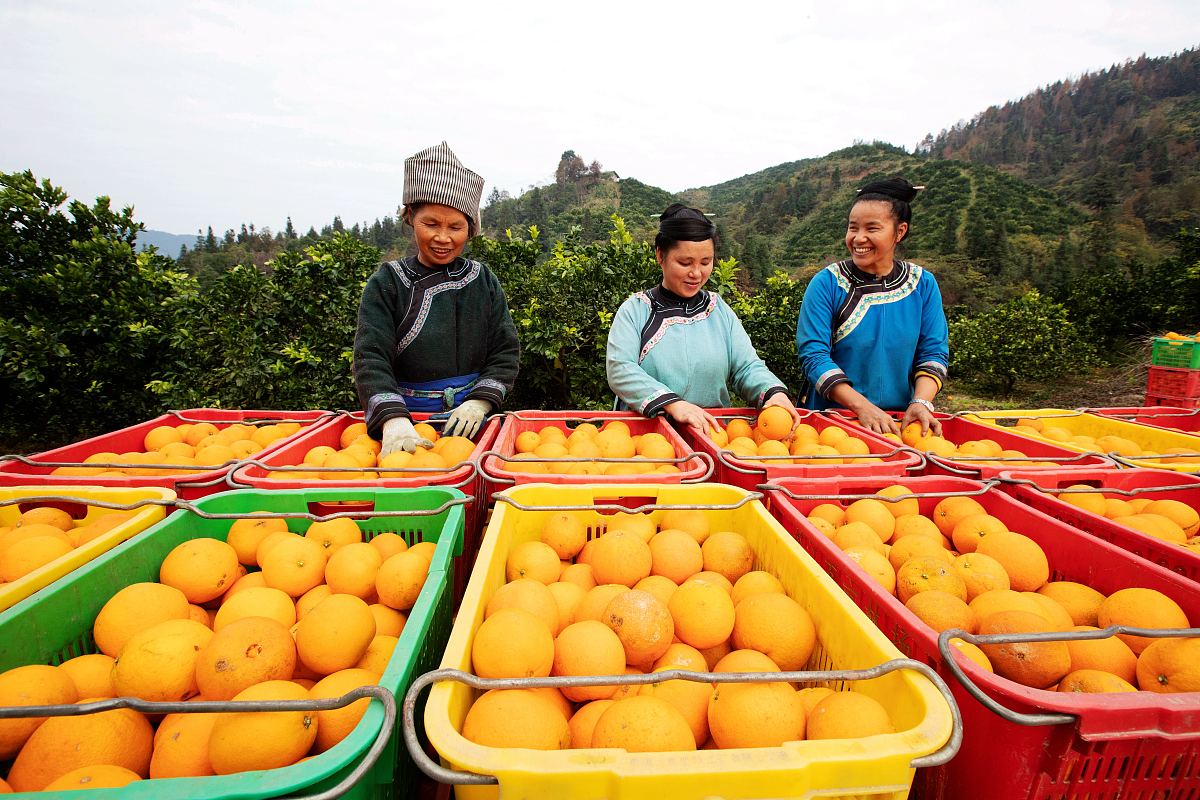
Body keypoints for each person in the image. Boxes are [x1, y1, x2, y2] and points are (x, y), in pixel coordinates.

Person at [353, 142, 520, 457]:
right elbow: (371, 358)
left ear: (470, 229)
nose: (443, 237)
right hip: (407, 421)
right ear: (410, 217)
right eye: (430, 224)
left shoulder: (482, 280)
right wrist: (393, 419)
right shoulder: (388, 282)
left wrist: (479, 401)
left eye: (456, 227)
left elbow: (505, 351)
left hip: (472, 423)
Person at [606, 204, 800, 435]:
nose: (696, 273)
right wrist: (673, 403)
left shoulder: (718, 310)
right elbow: (620, 368)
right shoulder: (636, 310)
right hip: (647, 440)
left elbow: (747, 366)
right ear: (660, 255)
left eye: (706, 262)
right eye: (685, 263)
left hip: (712, 437)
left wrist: (773, 392)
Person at [795, 177, 949, 436]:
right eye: (853, 227)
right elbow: (813, 356)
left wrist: (921, 402)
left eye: (872, 228)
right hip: (832, 425)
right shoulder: (828, 283)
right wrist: (862, 408)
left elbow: (933, 352)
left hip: (899, 425)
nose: (858, 238)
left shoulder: (922, 284)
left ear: (900, 231)